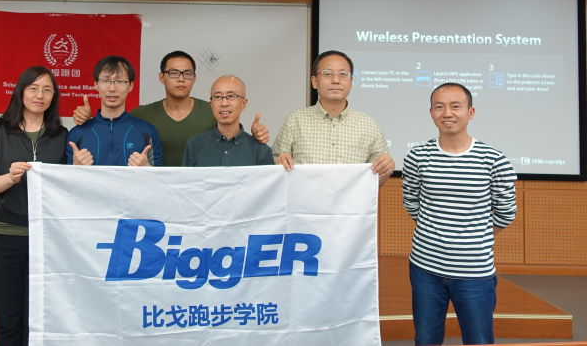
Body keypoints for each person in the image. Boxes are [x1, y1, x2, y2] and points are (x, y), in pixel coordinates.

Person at [402, 83, 517, 346]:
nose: (447, 113)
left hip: (475, 271)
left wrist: (474, 239)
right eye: (439, 107)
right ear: (431, 112)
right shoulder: (417, 156)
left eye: (456, 106)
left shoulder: (494, 159)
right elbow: (411, 203)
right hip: (425, 268)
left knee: (478, 340)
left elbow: (505, 212)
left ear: (470, 112)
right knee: (425, 339)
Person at [0, 66, 68, 346]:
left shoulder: (61, 134)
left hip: (46, 239)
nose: (40, 95)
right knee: (8, 320)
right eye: (34, 88)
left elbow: (67, 187)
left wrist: (78, 168)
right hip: (4, 236)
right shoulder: (0, 129)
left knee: (37, 320)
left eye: (47, 90)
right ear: (21, 91)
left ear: (54, 96)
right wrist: (8, 178)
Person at [73, 50, 269, 165]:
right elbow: (116, 125)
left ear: (194, 78)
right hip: (158, 193)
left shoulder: (211, 110)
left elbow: (231, 133)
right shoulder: (142, 115)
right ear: (161, 77)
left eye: (187, 74)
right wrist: (87, 120)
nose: (181, 79)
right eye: (174, 73)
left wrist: (255, 136)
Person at [273, 50, 394, 185]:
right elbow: (275, 167)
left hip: (350, 200)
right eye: (327, 73)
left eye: (343, 74)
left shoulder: (369, 125)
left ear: (351, 81)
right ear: (314, 81)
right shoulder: (294, 121)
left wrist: (386, 169)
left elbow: (377, 180)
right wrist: (279, 164)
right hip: (303, 198)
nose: (336, 80)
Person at [68, 55, 163, 166]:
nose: (112, 88)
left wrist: (147, 169)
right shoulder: (77, 134)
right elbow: (64, 176)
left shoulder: (147, 131)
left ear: (131, 85)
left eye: (120, 81)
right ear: (96, 85)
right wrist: (76, 168)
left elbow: (158, 175)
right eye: (105, 81)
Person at [183, 75, 273, 166]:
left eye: (231, 96)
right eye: (218, 97)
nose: (224, 103)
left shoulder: (261, 151)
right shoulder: (194, 145)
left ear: (243, 103)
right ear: (211, 104)